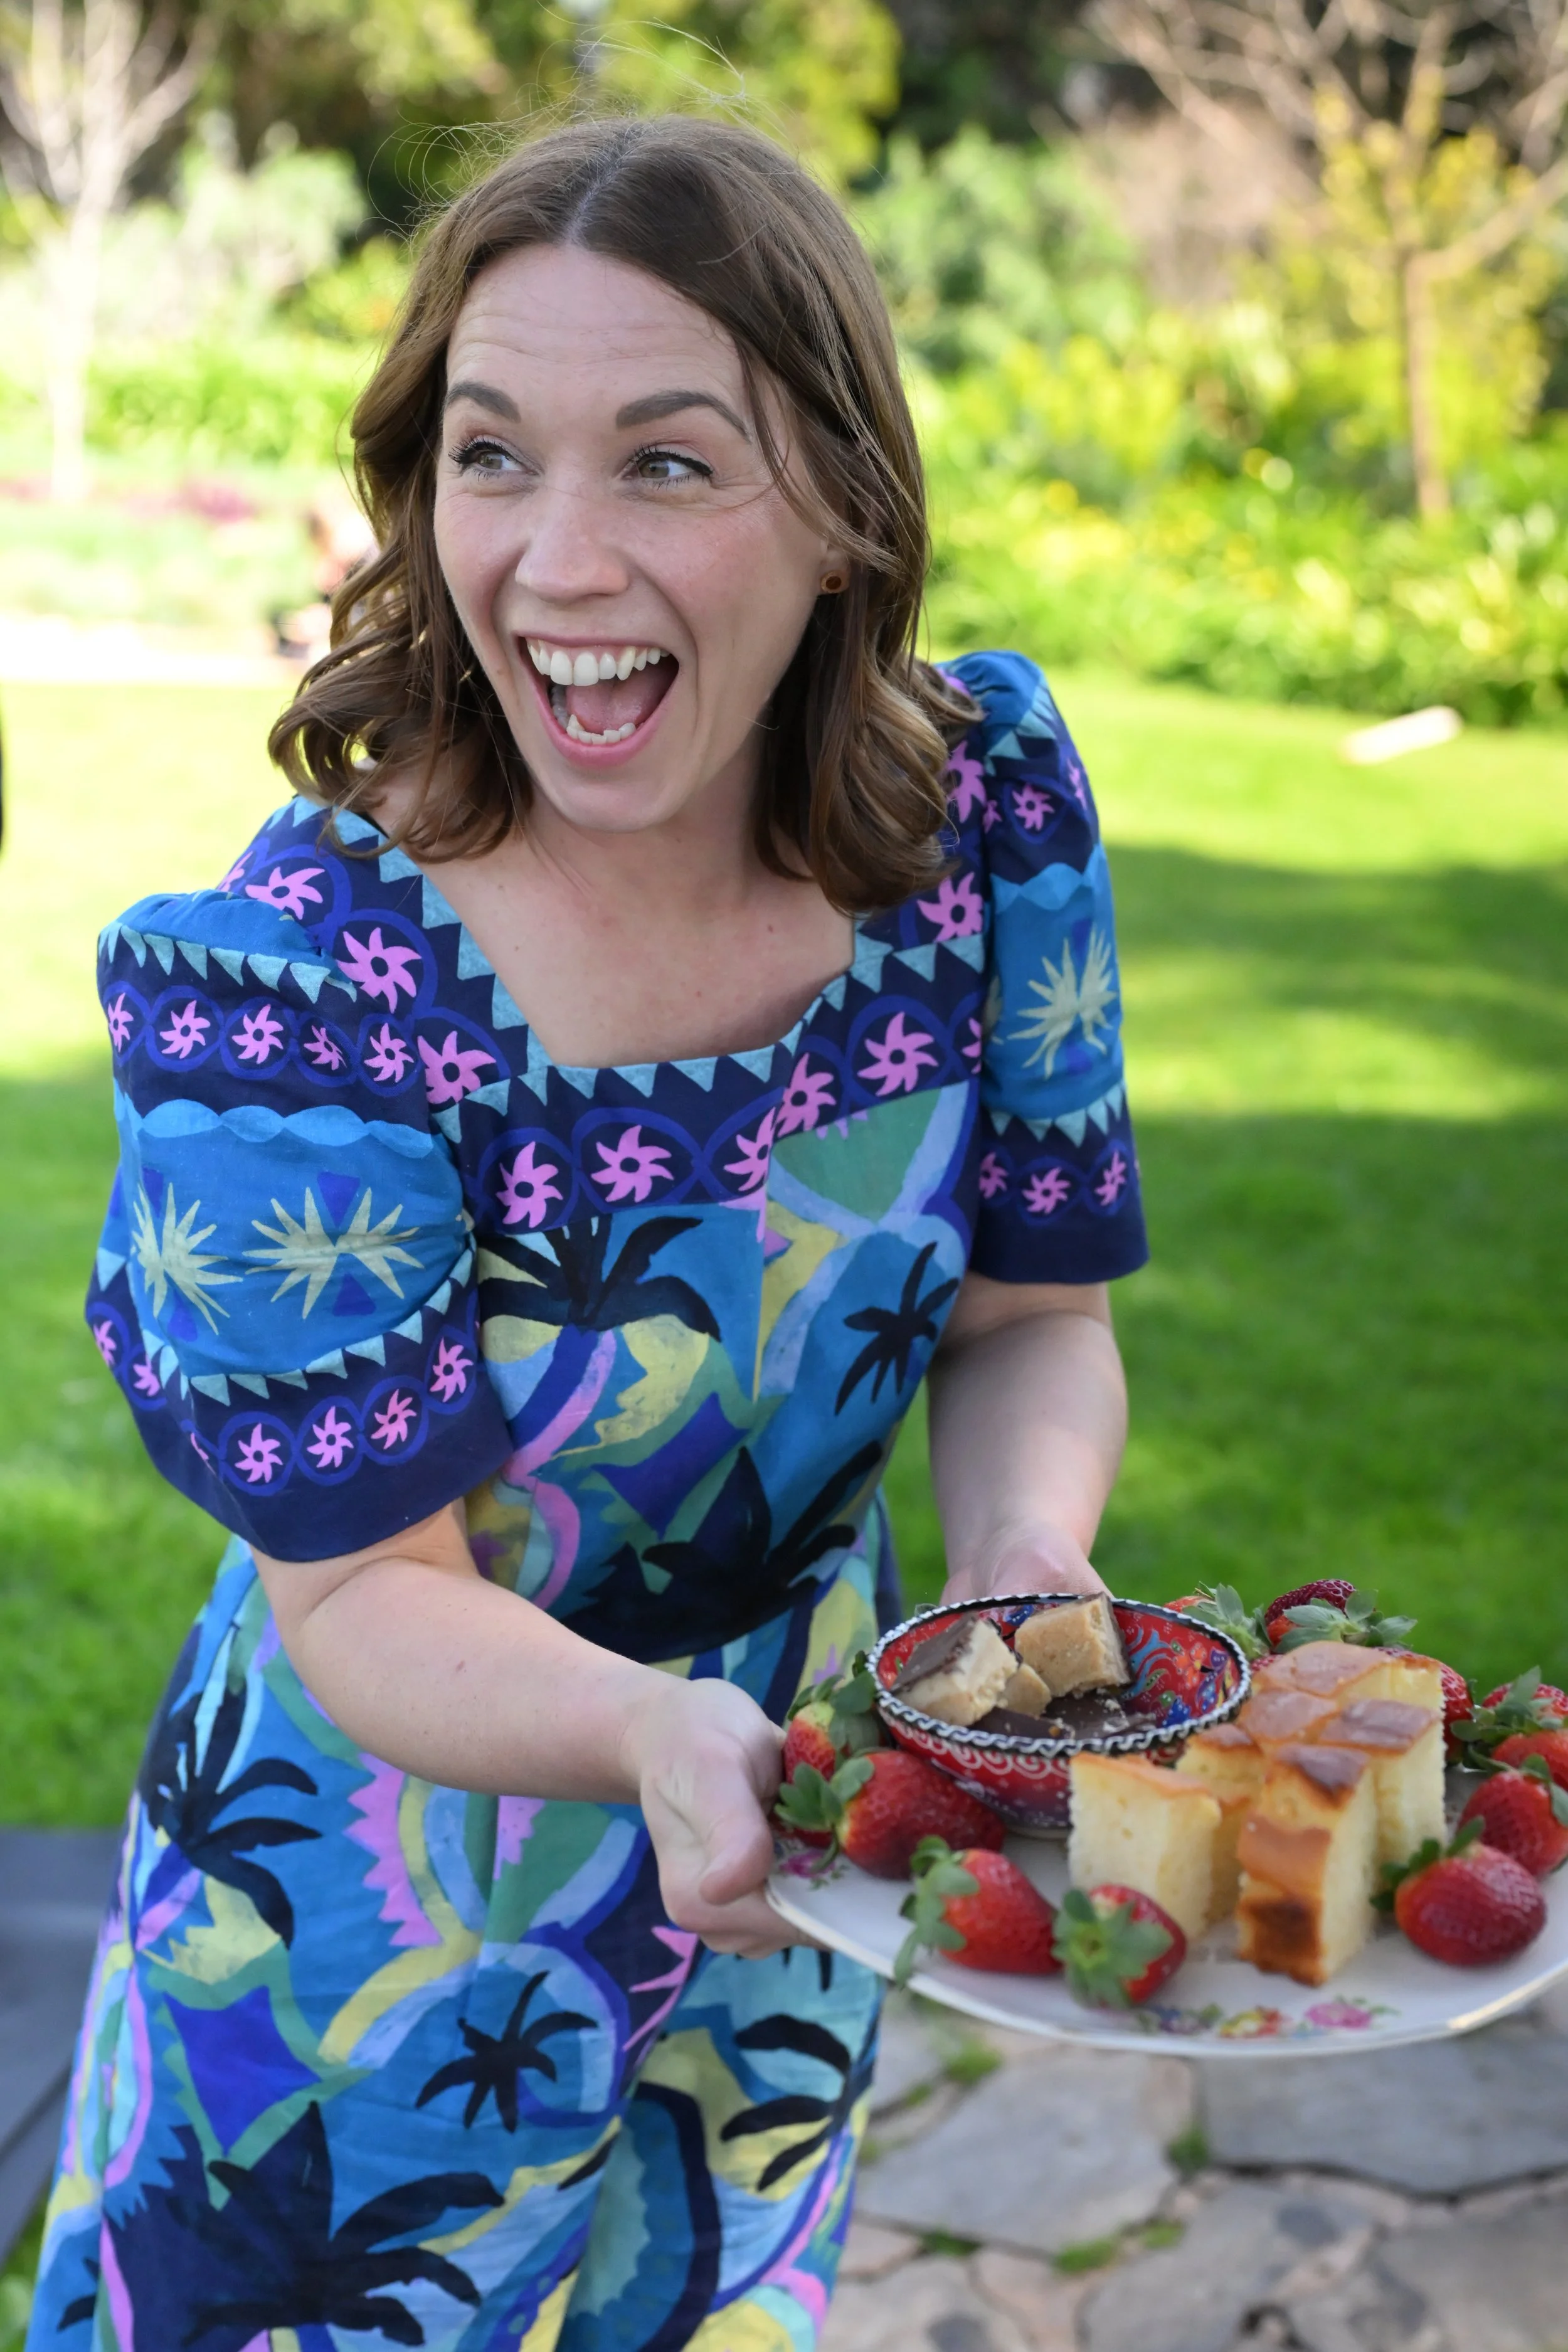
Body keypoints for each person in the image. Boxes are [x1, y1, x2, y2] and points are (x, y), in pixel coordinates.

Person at [29, 114, 1147, 2352]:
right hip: (350, 1964)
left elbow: (1025, 1319)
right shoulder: (297, 998)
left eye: (666, 463)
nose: (552, 557)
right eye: (490, 454)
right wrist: (655, 1733)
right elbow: (358, 1593)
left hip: (790, 1884)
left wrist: (1023, 1564)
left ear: (840, 507)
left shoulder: (982, 831)